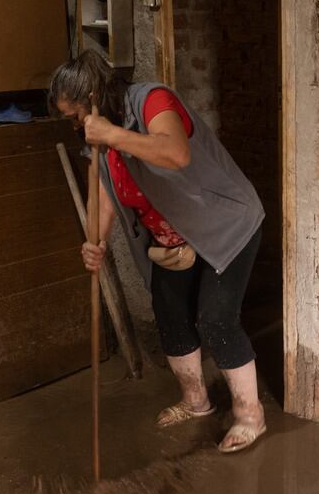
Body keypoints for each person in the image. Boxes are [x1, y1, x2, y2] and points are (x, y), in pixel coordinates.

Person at [49, 49, 267, 453]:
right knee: (170, 315)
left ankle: (250, 415)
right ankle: (195, 402)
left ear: (94, 96)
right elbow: (106, 194)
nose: (77, 125)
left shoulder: (151, 100)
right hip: (171, 236)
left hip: (224, 224)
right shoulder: (95, 139)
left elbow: (175, 153)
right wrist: (94, 241)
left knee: (216, 318)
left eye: (76, 114)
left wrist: (110, 134)